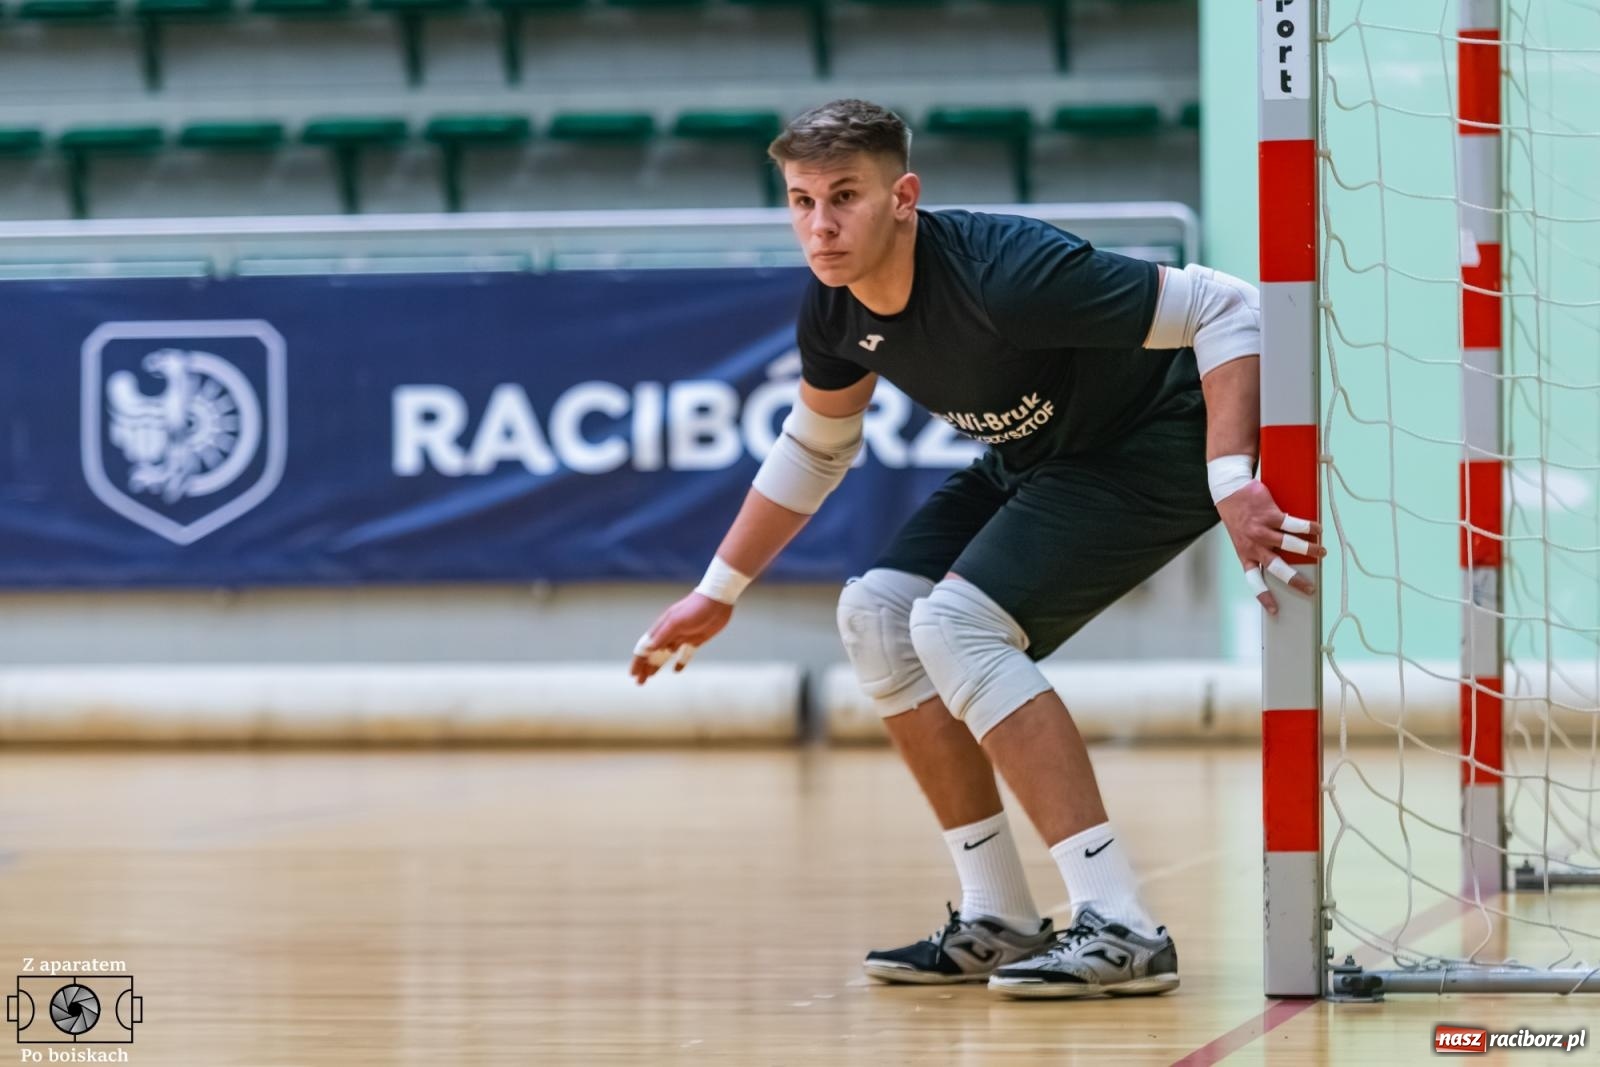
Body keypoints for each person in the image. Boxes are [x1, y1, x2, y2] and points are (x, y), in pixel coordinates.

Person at [629, 99, 1324, 999]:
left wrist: (1231, 476)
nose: (822, 224)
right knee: (877, 616)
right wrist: (719, 590)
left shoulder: (1008, 274)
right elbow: (815, 446)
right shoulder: (835, 305)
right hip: (1039, 456)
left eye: (844, 196)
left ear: (903, 196)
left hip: (1154, 436)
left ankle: (1122, 924)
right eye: (801, 200)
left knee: (956, 626)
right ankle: (997, 913)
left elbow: (1230, 307)